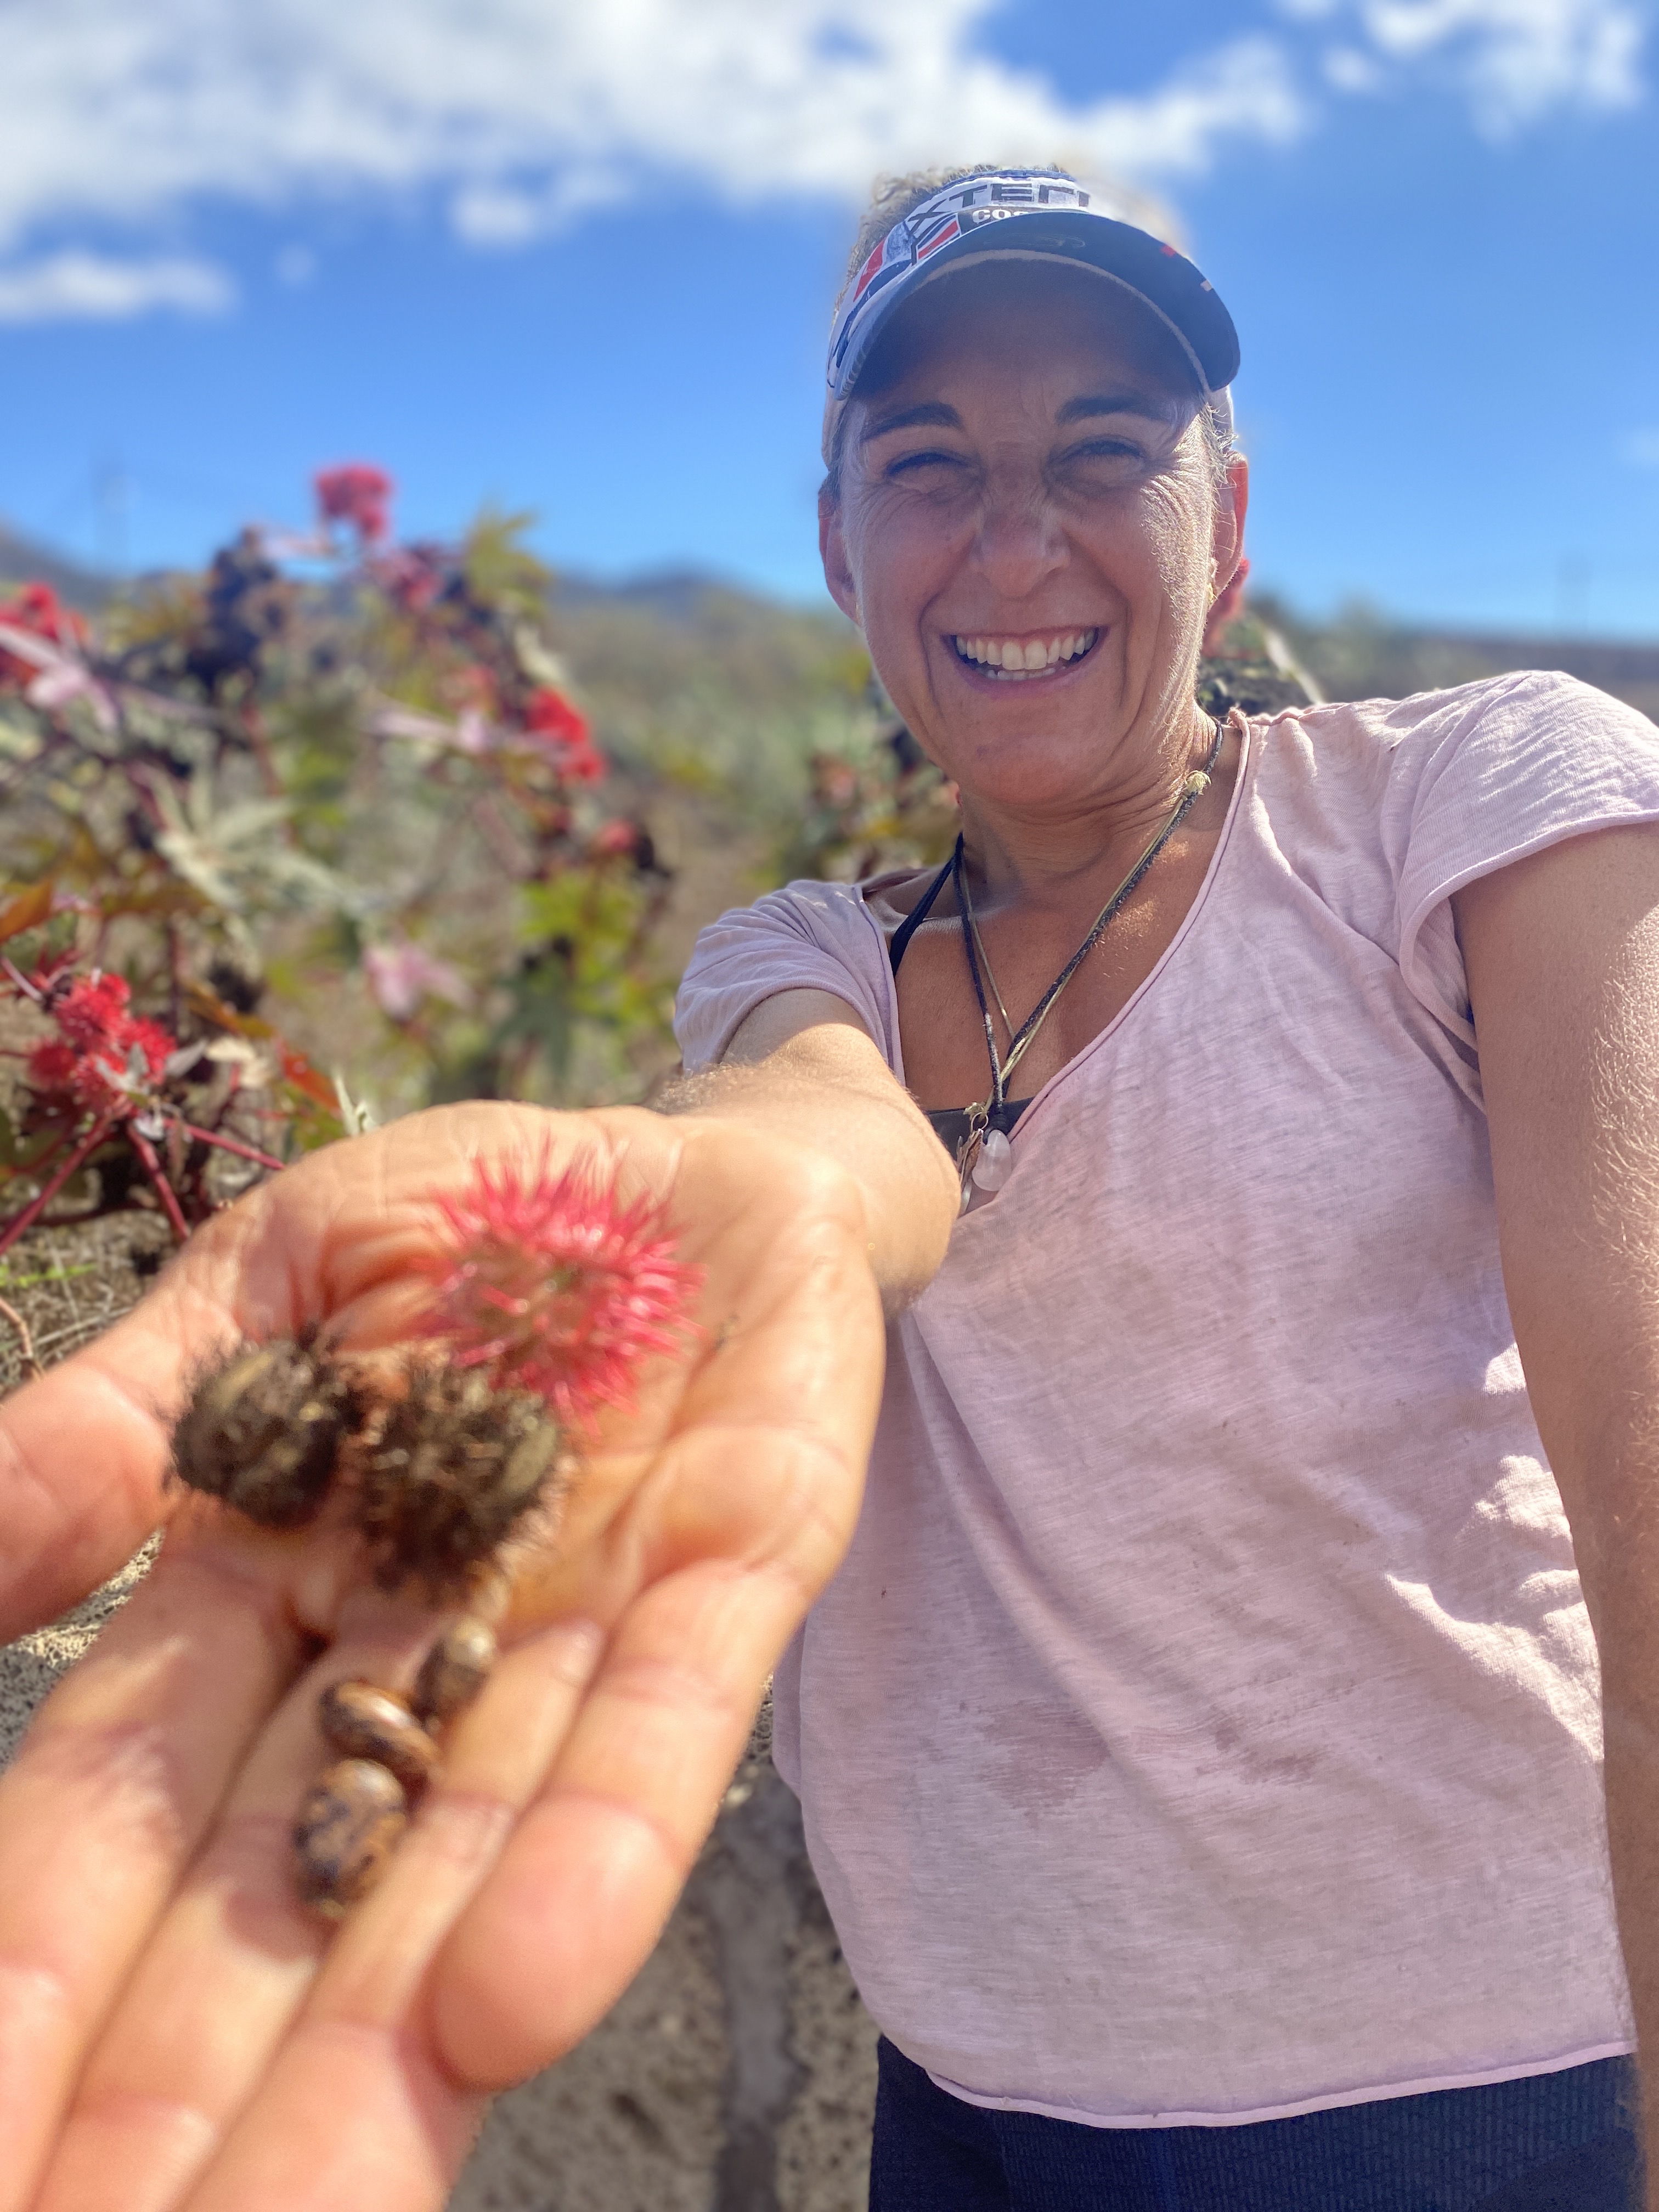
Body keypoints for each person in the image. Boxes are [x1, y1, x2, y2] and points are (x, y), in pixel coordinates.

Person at [2, 162, 1659, 2212]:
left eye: (1103, 452)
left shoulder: (1470, 808)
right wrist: (670, 1210)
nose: (1016, 539)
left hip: (1491, 2098)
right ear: (837, 545)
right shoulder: (805, 956)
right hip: (971, 2101)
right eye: (930, 464)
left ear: (1224, 527)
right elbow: (821, 1140)